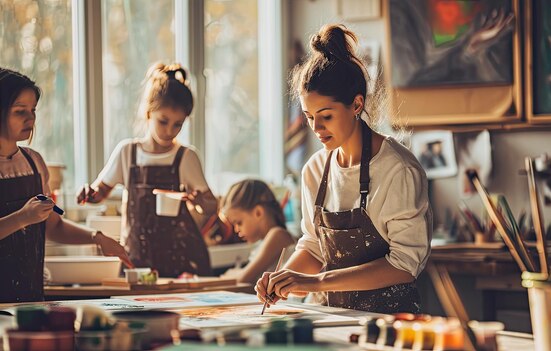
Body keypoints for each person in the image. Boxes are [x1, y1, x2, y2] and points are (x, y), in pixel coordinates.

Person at [255, 24, 433, 314]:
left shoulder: (397, 169)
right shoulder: (314, 169)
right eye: (309, 116)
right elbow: (313, 246)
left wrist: (317, 283)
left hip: (386, 321)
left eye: (326, 116)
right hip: (331, 319)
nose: (316, 128)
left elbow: (404, 265)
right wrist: (283, 278)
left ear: (356, 104)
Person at [0, 68, 132, 303]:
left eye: (33, 111)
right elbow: (26, 220)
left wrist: (97, 237)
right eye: (20, 111)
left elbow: (54, 226)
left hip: (30, 298)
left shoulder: (34, 163)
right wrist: (22, 218)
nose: (30, 119)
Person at [77, 63, 216, 277]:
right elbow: (100, 193)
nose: (170, 131)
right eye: (164, 121)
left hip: (182, 264)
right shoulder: (127, 152)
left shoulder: (186, 157)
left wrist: (199, 202)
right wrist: (89, 194)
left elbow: (211, 206)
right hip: (136, 260)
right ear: (148, 112)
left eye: (178, 124)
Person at [220, 179, 296, 284]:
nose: (236, 229)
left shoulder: (278, 235)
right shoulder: (264, 241)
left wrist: (230, 273)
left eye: (239, 222)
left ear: (258, 213)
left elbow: (244, 278)